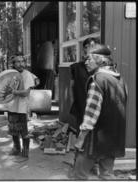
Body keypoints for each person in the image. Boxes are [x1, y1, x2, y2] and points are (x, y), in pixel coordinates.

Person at [70, 44, 128, 180]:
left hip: (95, 140)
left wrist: (81, 139)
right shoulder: (120, 80)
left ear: (101, 60)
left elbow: (91, 114)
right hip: (114, 138)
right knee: (107, 175)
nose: (86, 62)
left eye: (89, 59)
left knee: (79, 175)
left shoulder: (98, 80)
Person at [69, 37, 100, 175]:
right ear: (84, 48)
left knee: (96, 137)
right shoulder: (76, 67)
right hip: (81, 107)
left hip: (96, 109)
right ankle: (77, 165)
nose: (92, 48)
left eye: (95, 45)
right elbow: (71, 87)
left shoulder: (100, 67)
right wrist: (73, 102)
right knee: (80, 136)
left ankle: (94, 165)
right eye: (89, 46)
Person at [6, 54, 38, 159]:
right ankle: (16, 149)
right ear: (14, 64)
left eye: (22, 61)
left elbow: (26, 93)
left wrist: (14, 91)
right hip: (12, 106)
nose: (20, 64)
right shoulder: (11, 74)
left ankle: (25, 152)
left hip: (21, 108)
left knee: (23, 131)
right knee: (13, 129)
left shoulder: (27, 74)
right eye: (18, 62)